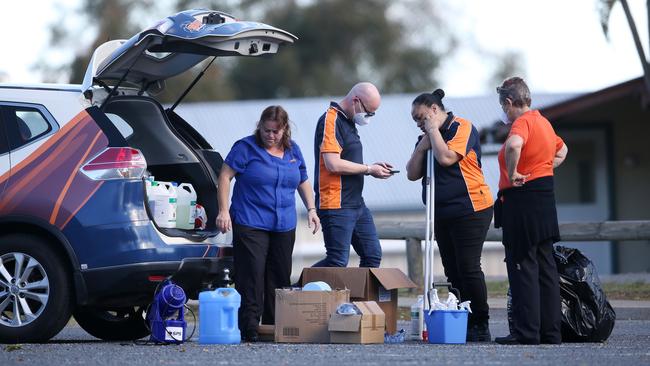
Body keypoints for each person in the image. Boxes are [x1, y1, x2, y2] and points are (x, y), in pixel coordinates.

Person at [216, 105, 320, 342]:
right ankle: (250, 329)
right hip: (250, 221)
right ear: (259, 127)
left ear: (285, 130)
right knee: (252, 276)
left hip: (284, 224)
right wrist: (223, 210)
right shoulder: (245, 148)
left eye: (275, 131)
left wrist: (312, 209)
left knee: (280, 277)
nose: (270, 136)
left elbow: (302, 180)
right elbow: (224, 176)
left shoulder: (294, 151)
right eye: (266, 130)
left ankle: (273, 327)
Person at [406, 89, 494, 342]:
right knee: (452, 269)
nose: (419, 124)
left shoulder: (461, 127)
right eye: (415, 120)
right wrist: (422, 148)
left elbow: (446, 158)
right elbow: (412, 173)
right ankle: (462, 318)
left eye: (421, 117)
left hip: (471, 208)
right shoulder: (425, 138)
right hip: (442, 213)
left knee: (468, 267)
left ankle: (481, 321)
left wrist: (433, 132)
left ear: (434, 110)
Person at [493, 77, 568, 345]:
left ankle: (527, 333)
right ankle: (551, 332)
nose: (504, 111)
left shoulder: (522, 122)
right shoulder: (544, 122)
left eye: (504, 106)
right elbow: (563, 151)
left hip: (522, 200)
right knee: (546, 268)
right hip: (545, 199)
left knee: (523, 265)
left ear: (510, 102)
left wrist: (514, 173)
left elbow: (513, 145)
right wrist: (543, 168)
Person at [312, 82, 394, 268]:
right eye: (369, 112)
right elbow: (333, 164)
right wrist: (368, 169)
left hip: (356, 203)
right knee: (337, 261)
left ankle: (360, 298)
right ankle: (294, 292)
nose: (369, 117)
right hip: (336, 203)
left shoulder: (348, 122)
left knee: (372, 255)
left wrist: (373, 167)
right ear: (356, 101)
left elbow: (348, 159)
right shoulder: (330, 120)